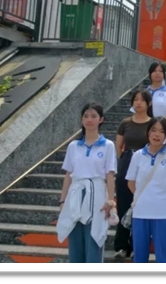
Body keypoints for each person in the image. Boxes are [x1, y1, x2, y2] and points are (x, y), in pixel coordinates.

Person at [57, 103, 116, 263]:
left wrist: (110, 202)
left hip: (97, 195)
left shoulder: (108, 145)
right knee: (75, 241)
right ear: (82, 119)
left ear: (101, 119)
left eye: (94, 116)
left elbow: (110, 175)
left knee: (94, 238)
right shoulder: (73, 146)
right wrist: (63, 201)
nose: (89, 120)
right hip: (76, 195)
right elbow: (68, 175)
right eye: (86, 116)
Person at [126, 117, 166, 263]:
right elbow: (131, 182)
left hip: (163, 213)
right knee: (139, 255)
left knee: (162, 256)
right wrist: (143, 197)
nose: (157, 135)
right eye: (154, 130)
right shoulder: (138, 155)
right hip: (140, 212)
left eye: (162, 131)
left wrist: (164, 198)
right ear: (148, 132)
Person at [114, 90, 153, 258]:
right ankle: (121, 247)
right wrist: (124, 159)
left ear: (148, 103)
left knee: (142, 206)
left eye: (142, 100)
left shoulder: (153, 123)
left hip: (146, 166)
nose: (138, 103)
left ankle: (138, 245)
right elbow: (118, 146)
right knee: (123, 206)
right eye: (135, 100)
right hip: (127, 163)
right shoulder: (125, 123)